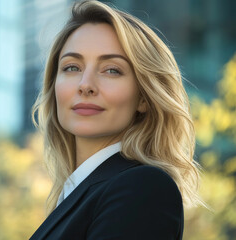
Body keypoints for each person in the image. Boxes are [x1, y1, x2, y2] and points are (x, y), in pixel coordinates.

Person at [30, 1, 204, 239]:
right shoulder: (74, 195)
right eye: (72, 67)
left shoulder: (143, 188)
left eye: (111, 70)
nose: (85, 85)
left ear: (143, 97)